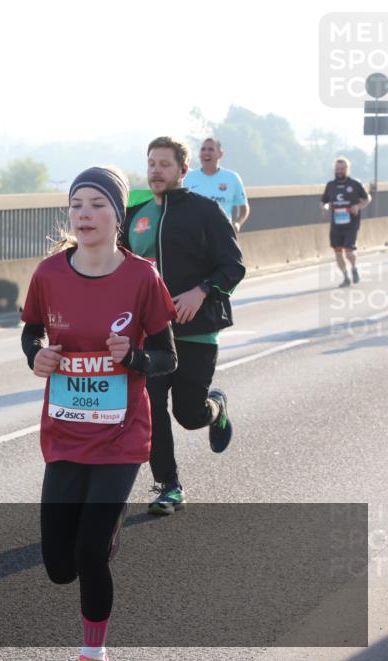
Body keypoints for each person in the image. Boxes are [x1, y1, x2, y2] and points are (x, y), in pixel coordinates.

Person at [21, 167, 177, 661]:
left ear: (118, 216)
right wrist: (37, 355)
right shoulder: (49, 274)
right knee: (59, 566)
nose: (84, 214)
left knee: (89, 552)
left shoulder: (142, 277)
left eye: (96, 204)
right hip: (65, 432)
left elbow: (167, 358)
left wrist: (134, 357)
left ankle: (93, 654)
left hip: (121, 437)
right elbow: (30, 331)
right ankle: (105, 532)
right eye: (76, 205)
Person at [121, 137, 245, 515]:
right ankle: (169, 486)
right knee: (152, 409)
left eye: (165, 164)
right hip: (151, 334)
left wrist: (201, 291)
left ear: (182, 170)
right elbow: (116, 264)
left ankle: (215, 407)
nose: (156, 171)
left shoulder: (205, 211)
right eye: (151, 163)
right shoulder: (135, 211)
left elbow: (233, 266)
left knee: (188, 415)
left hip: (196, 330)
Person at [321, 157, 371, 287]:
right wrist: (325, 207)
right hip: (336, 225)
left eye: (342, 169)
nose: (339, 171)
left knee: (349, 252)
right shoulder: (330, 185)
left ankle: (354, 267)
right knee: (338, 253)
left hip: (351, 224)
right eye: (337, 169)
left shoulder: (354, 184)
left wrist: (358, 206)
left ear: (347, 169)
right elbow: (325, 201)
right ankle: (345, 277)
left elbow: (367, 198)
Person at [182, 137, 250, 232]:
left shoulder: (232, 178)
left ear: (220, 154)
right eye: (203, 149)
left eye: (211, 149)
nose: (206, 153)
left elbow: (243, 207)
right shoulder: (187, 177)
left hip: (222, 232)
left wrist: (238, 223)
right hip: (194, 232)